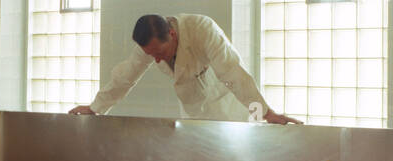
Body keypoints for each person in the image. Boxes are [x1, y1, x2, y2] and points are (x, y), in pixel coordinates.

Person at [69, 14, 301, 124]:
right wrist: (95, 107)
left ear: (172, 33)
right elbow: (125, 76)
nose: (157, 61)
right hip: (191, 110)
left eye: (160, 54)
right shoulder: (150, 44)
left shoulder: (202, 29)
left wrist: (265, 113)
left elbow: (231, 72)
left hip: (226, 104)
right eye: (152, 56)